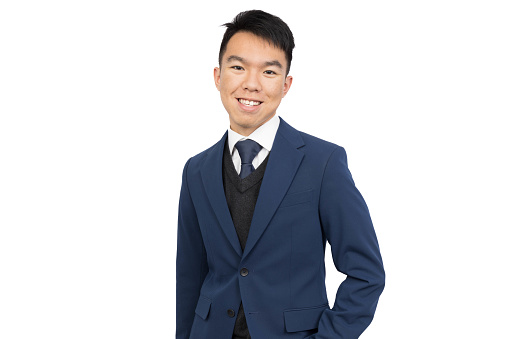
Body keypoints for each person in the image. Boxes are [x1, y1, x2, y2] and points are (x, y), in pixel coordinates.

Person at [176, 10, 385, 339]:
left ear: (286, 84)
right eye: (238, 67)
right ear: (218, 76)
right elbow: (190, 277)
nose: (251, 83)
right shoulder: (196, 170)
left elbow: (366, 274)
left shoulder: (323, 162)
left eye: (269, 71)